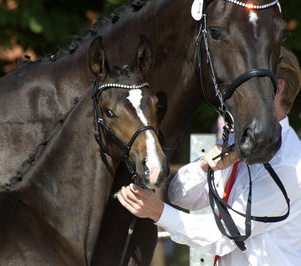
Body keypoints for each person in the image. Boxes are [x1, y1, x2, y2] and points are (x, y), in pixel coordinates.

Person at [117, 47, 301, 266]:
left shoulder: (289, 164)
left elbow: (226, 235)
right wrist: (204, 167)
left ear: (276, 88)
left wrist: (159, 213)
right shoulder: (237, 139)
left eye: (247, 80)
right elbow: (179, 196)